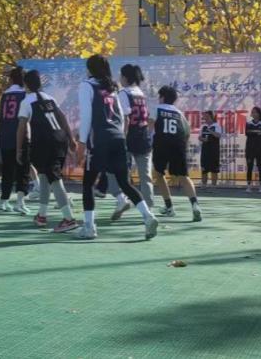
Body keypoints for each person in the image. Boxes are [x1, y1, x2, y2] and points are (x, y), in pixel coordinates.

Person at [75, 55, 159, 240]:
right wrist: (120, 138)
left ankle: (89, 227)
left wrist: (82, 143)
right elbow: (121, 116)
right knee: (124, 183)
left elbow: (87, 116)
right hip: (118, 138)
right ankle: (148, 216)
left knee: (88, 183)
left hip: (99, 139)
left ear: (90, 69)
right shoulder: (112, 87)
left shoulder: (87, 86)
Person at [16, 69, 79, 233]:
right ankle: (42, 216)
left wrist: (18, 150)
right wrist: (71, 138)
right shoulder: (50, 98)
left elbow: (21, 127)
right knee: (44, 176)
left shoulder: (26, 102)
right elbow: (62, 117)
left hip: (45, 143)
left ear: (25, 85)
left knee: (54, 179)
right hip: (60, 140)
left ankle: (69, 219)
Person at [109, 63, 156, 221]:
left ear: (125, 77)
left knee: (117, 172)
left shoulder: (124, 93)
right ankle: (148, 209)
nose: (119, 78)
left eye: (121, 75)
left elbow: (126, 118)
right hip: (144, 137)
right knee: (145, 176)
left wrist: (122, 138)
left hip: (130, 138)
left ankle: (122, 200)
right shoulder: (141, 93)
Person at [151, 85, 203, 221]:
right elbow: (187, 132)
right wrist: (182, 146)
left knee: (158, 174)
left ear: (162, 97)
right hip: (178, 144)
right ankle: (195, 205)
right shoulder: (179, 113)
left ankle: (169, 207)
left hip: (161, 143)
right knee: (184, 176)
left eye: (159, 96)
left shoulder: (157, 109)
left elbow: (150, 127)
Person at [0, 66, 30, 214]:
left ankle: (3, 200)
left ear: (11, 79)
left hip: (5, 136)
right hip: (20, 136)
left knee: (7, 170)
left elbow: (1, 117)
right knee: (23, 170)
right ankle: (20, 202)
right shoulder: (25, 95)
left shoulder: (5, 95)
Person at [245, 106, 261, 193]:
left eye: (255, 112)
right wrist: (256, 132)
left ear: (259, 114)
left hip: (260, 148)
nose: (254, 114)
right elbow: (247, 133)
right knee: (249, 167)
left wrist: (253, 132)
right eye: (252, 112)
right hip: (250, 148)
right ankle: (248, 186)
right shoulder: (248, 123)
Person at [199, 110, 222, 187]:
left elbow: (218, 135)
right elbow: (200, 137)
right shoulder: (203, 126)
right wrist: (203, 139)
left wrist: (210, 131)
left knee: (214, 169)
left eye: (206, 116)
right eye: (204, 116)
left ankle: (213, 186)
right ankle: (204, 185)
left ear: (210, 116)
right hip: (205, 150)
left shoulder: (216, 126)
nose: (204, 117)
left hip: (214, 151)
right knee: (204, 169)